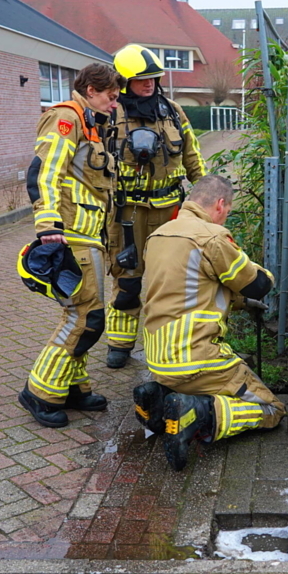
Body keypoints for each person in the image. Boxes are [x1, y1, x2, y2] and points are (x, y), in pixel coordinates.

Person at [131, 175, 283, 471]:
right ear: (220, 204)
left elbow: (194, 288)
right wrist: (262, 275)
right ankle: (198, 413)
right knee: (271, 409)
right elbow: (257, 285)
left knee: (195, 383)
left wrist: (238, 301)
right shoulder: (212, 237)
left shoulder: (159, 235)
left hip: (159, 359)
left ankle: (159, 398)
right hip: (196, 357)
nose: (226, 216)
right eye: (227, 210)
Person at [18, 63, 126, 428]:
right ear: (92, 89)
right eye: (111, 96)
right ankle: (40, 391)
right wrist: (48, 223)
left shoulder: (93, 126)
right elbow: (45, 171)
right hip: (73, 234)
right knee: (84, 316)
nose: (115, 104)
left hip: (90, 235)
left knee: (89, 314)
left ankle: (73, 387)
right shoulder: (66, 118)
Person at [105, 44, 207, 369]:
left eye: (153, 78)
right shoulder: (109, 115)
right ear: (124, 81)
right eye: (142, 79)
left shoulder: (173, 110)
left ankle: (169, 343)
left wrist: (203, 195)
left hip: (170, 208)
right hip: (127, 212)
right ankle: (120, 344)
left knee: (172, 277)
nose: (149, 84)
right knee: (127, 276)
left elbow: (192, 154)